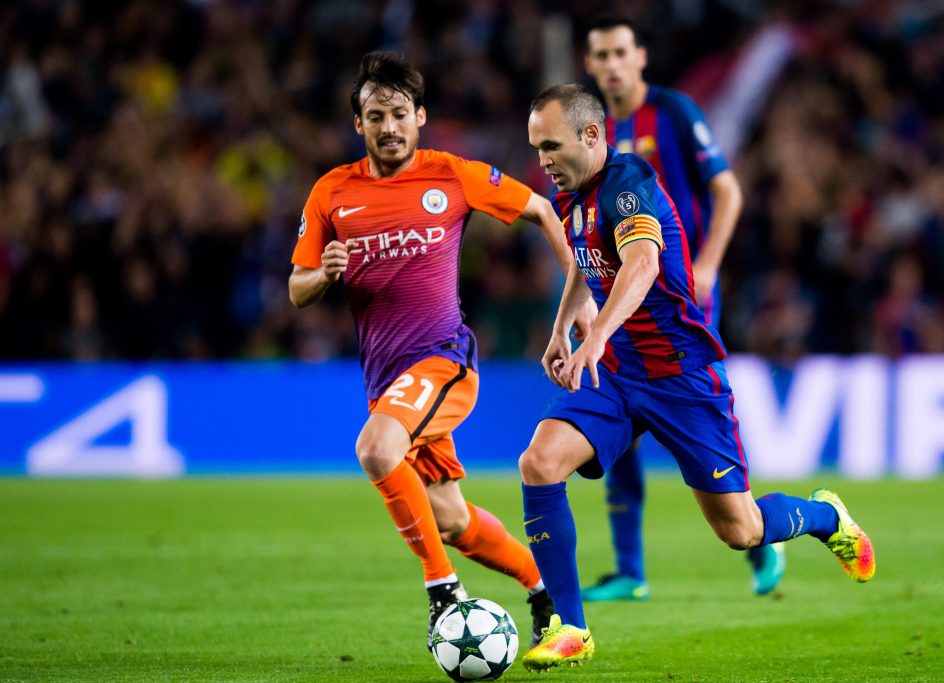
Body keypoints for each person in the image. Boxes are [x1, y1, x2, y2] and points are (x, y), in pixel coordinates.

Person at [520, 84, 875, 671]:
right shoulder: (569, 196)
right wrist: (564, 329)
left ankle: (826, 516)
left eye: (551, 145)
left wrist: (597, 334)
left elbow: (642, 264)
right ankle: (571, 627)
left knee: (740, 529)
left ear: (591, 135)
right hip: (616, 372)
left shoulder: (629, 184)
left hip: (683, 376)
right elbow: (586, 265)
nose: (543, 160)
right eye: (536, 148)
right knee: (538, 462)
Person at [289, 52, 577, 648]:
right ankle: (544, 590)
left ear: (420, 116)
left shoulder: (452, 174)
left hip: (442, 361)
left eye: (399, 113)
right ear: (358, 125)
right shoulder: (331, 192)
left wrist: (577, 299)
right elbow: (297, 288)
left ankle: (442, 592)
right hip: (386, 381)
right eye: (375, 115)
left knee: (375, 448)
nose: (388, 126)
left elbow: (542, 209)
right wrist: (325, 275)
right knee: (451, 519)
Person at [579, 16, 784, 602]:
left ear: (640, 56)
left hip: (678, 298)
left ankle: (756, 536)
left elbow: (728, 190)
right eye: (601, 55)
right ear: (590, 65)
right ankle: (629, 570)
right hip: (614, 298)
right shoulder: (589, 129)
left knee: (698, 418)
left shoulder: (673, 113)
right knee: (612, 426)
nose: (613, 63)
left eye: (621, 51)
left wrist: (709, 264)